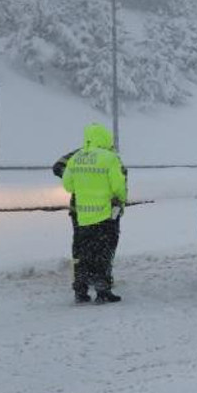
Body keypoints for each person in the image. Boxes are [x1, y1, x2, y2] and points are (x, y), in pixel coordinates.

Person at [61, 123, 128, 304]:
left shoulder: (76, 158)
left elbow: (68, 185)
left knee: (83, 254)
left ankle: (80, 291)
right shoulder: (109, 158)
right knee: (103, 253)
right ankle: (102, 290)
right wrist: (121, 200)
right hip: (105, 216)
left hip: (82, 217)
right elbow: (118, 187)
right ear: (105, 138)